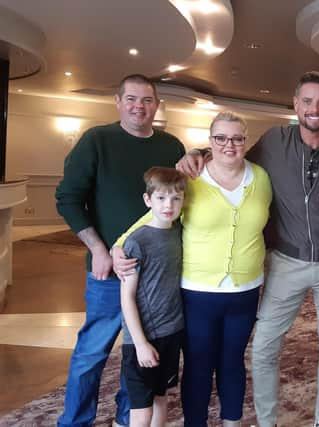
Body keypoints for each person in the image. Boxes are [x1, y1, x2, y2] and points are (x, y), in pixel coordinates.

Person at [176, 71, 319, 427]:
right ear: (295, 104)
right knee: (263, 347)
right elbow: (233, 155)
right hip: (285, 261)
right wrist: (198, 152)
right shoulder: (273, 141)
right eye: (307, 101)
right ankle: (268, 421)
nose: (314, 109)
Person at [115, 111, 272, 427]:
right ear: (210, 141)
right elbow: (157, 216)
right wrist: (119, 245)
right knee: (199, 365)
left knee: (232, 363)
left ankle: (232, 422)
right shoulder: (192, 179)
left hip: (245, 292)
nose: (229, 145)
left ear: (246, 140)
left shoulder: (262, 178)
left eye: (237, 138)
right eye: (220, 138)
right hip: (198, 293)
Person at [55, 74, 186, 427]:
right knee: (92, 352)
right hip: (110, 274)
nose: (139, 107)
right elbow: (67, 198)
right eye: (131, 99)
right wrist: (98, 248)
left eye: (147, 100)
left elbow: (178, 198)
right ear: (117, 101)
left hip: (156, 280)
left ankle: (130, 418)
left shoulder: (172, 146)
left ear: (157, 105)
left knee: (142, 354)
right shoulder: (97, 140)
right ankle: (75, 421)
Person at [120, 167, 186, 427]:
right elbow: (127, 297)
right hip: (143, 338)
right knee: (141, 409)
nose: (168, 205)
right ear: (148, 200)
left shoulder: (178, 232)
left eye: (175, 198)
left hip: (172, 331)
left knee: (162, 397)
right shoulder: (138, 241)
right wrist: (140, 343)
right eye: (160, 198)